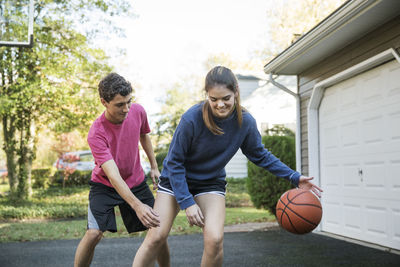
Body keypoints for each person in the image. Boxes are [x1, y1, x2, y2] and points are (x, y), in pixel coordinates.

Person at [132, 66, 323, 267]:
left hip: (209, 183)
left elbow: (260, 155)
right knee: (156, 238)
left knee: (214, 240)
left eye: (226, 98)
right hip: (175, 180)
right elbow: (174, 162)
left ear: (236, 92)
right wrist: (187, 202)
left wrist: (294, 177)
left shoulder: (245, 122)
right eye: (213, 99)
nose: (220, 104)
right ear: (207, 95)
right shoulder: (192, 118)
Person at [74, 73, 170, 267]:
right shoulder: (97, 132)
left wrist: (153, 166)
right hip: (106, 185)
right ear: (104, 102)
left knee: (158, 232)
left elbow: (144, 135)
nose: (126, 109)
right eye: (119, 105)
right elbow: (113, 176)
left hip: (135, 180)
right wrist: (137, 206)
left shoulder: (138, 111)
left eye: (128, 102)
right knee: (94, 233)